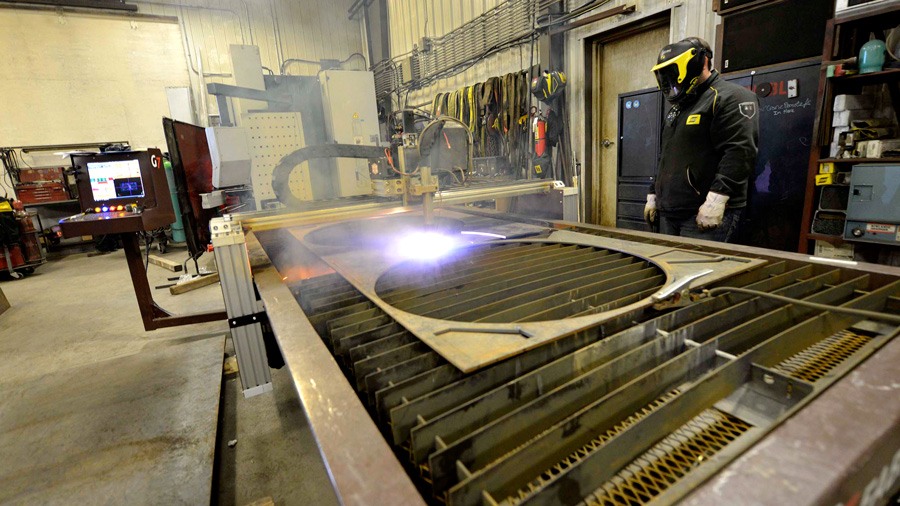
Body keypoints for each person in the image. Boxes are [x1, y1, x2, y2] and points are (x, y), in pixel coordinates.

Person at [643, 37, 759, 242]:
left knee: (698, 272)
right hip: (670, 211)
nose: (669, 78)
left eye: (673, 70)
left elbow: (740, 151)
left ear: (701, 62)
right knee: (669, 269)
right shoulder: (680, 107)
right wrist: (654, 194)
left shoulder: (729, 97)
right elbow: (667, 155)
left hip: (703, 213)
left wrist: (717, 199)